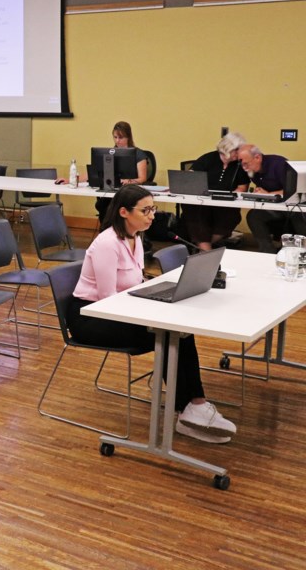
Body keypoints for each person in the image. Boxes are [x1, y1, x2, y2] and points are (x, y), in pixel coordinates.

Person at [66, 184, 237, 443]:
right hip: (91, 317)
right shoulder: (106, 244)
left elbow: (133, 283)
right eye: (145, 210)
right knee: (169, 334)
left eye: (153, 209)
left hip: (120, 309)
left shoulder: (135, 237)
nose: (152, 215)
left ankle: (194, 406)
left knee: (179, 330)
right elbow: (107, 300)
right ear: (124, 212)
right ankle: (189, 410)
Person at [180, 133, 249, 251]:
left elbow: (242, 187)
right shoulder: (208, 158)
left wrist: (230, 196)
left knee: (231, 217)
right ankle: (206, 251)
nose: (240, 154)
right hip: (202, 202)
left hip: (225, 203)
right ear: (228, 148)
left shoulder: (239, 165)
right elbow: (190, 179)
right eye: (237, 150)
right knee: (197, 215)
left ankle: (202, 247)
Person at [238, 143, 304, 252]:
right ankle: (267, 251)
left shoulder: (279, 165)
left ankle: (301, 252)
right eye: (242, 165)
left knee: (298, 216)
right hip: (276, 207)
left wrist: (269, 194)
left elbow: (294, 190)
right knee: (253, 216)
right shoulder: (253, 172)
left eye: (246, 164)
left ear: (257, 158)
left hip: (293, 206)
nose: (244, 168)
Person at [93, 121, 150, 223]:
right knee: (102, 204)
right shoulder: (110, 153)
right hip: (114, 189)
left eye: (121, 137)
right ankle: (106, 233)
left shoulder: (139, 154)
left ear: (128, 137)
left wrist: (129, 181)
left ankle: (117, 231)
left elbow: (142, 178)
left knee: (111, 205)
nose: (117, 141)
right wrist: (75, 178)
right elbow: (96, 171)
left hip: (130, 191)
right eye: (115, 137)